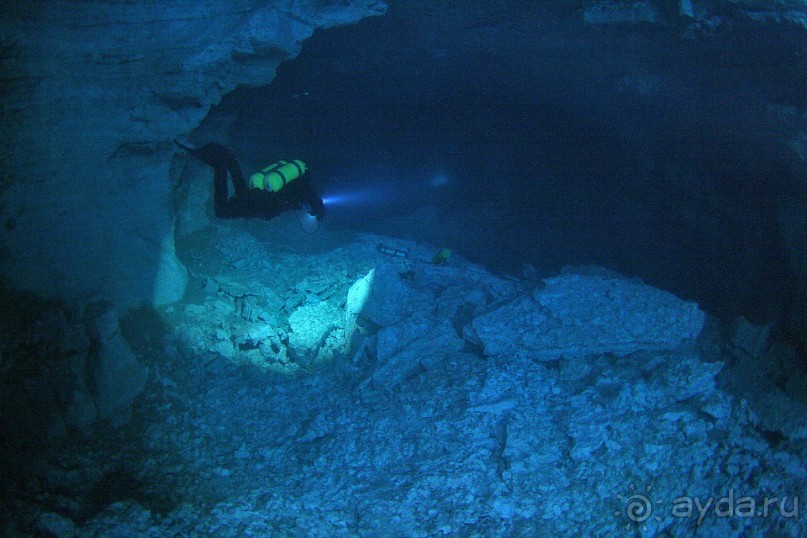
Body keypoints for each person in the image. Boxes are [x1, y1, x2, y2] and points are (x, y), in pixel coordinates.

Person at [175, 140, 325, 221]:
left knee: (240, 192)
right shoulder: (304, 187)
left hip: (258, 194)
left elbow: (310, 198)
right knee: (222, 212)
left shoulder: (297, 181)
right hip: (262, 205)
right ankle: (220, 165)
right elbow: (313, 198)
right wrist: (319, 212)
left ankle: (227, 160)